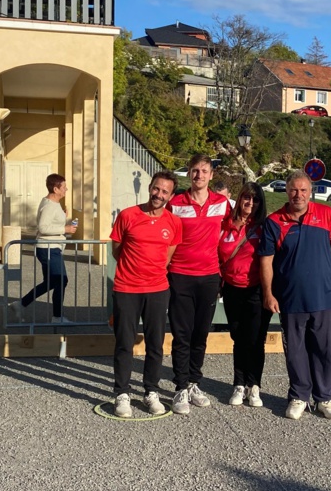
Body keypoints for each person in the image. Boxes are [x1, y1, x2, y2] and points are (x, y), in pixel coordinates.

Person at [260, 170, 331, 420]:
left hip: (324, 297)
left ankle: (325, 397)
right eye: (293, 190)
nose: (298, 195)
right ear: (286, 191)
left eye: (303, 190)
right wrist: (268, 294)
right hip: (290, 299)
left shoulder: (326, 214)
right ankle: (299, 396)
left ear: (310, 192)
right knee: (296, 351)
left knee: (324, 350)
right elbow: (266, 261)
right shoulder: (274, 221)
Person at [109, 171, 182, 418]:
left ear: (170, 196)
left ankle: (151, 391)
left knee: (155, 345)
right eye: (156, 189)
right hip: (126, 288)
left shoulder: (173, 222)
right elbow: (116, 251)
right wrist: (134, 269)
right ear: (149, 187)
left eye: (164, 192)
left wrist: (150, 272)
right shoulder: (127, 215)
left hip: (157, 290)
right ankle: (122, 393)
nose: (158, 195)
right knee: (124, 344)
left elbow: (168, 256)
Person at [166, 154, 231, 415]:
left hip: (209, 277)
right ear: (188, 174)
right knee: (182, 335)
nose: (199, 175)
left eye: (204, 171)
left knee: (200, 335)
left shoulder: (222, 203)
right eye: (195, 171)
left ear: (211, 175)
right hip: (180, 275)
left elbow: (231, 231)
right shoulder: (176, 203)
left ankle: (194, 383)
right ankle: (180, 387)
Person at [218, 182, 272, 407]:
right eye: (246, 198)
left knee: (256, 340)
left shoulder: (264, 226)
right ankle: (238, 384)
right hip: (232, 289)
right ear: (239, 199)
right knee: (238, 338)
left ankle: (254, 385)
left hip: (257, 289)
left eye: (256, 199)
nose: (250, 203)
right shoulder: (225, 224)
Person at [10, 173, 76, 323]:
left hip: (51, 248)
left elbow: (50, 221)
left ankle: (21, 304)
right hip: (49, 249)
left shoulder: (52, 203)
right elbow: (43, 227)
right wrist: (64, 228)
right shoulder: (49, 205)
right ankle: (57, 317)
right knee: (61, 280)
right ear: (56, 189)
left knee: (51, 282)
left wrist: (62, 217)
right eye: (64, 187)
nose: (66, 189)